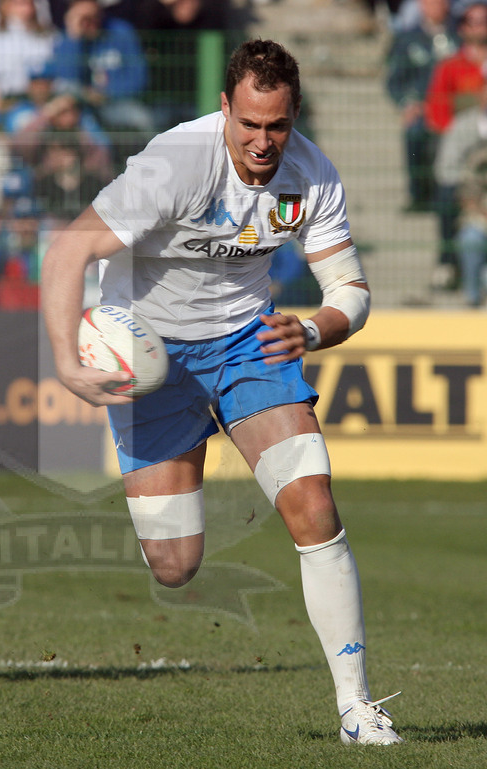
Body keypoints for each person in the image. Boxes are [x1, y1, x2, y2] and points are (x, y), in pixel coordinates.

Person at [41, 39, 403, 746]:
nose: (264, 141)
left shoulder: (312, 174)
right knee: (175, 565)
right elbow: (69, 250)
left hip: (248, 345)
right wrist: (63, 357)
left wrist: (315, 330)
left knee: (314, 504)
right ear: (224, 109)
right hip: (151, 356)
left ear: (293, 115)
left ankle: (358, 708)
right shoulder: (175, 162)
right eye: (249, 125)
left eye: (278, 125)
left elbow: (351, 292)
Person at [425, 1, 487, 289]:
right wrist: (456, 135)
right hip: (462, 151)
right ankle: (447, 261)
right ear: (462, 27)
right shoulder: (452, 66)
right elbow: (437, 109)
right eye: (474, 21)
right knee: (447, 195)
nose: (480, 27)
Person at [385, 0, 458, 212]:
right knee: (414, 131)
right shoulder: (408, 38)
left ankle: (448, 193)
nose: (438, 5)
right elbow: (394, 80)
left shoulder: (460, 35)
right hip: (422, 109)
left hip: (455, 108)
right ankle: (419, 194)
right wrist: (408, 103)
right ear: (422, 5)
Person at [48, 0, 155, 133]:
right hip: (81, 106)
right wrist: (74, 39)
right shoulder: (67, 39)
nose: (90, 23)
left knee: (142, 118)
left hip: (117, 102)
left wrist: (106, 94)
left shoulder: (121, 31)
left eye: (93, 16)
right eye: (83, 18)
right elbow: (66, 79)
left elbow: (139, 78)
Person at [453, 138, 487, 304]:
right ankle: (472, 299)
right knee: (470, 238)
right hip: (479, 223)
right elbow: (466, 196)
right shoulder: (478, 159)